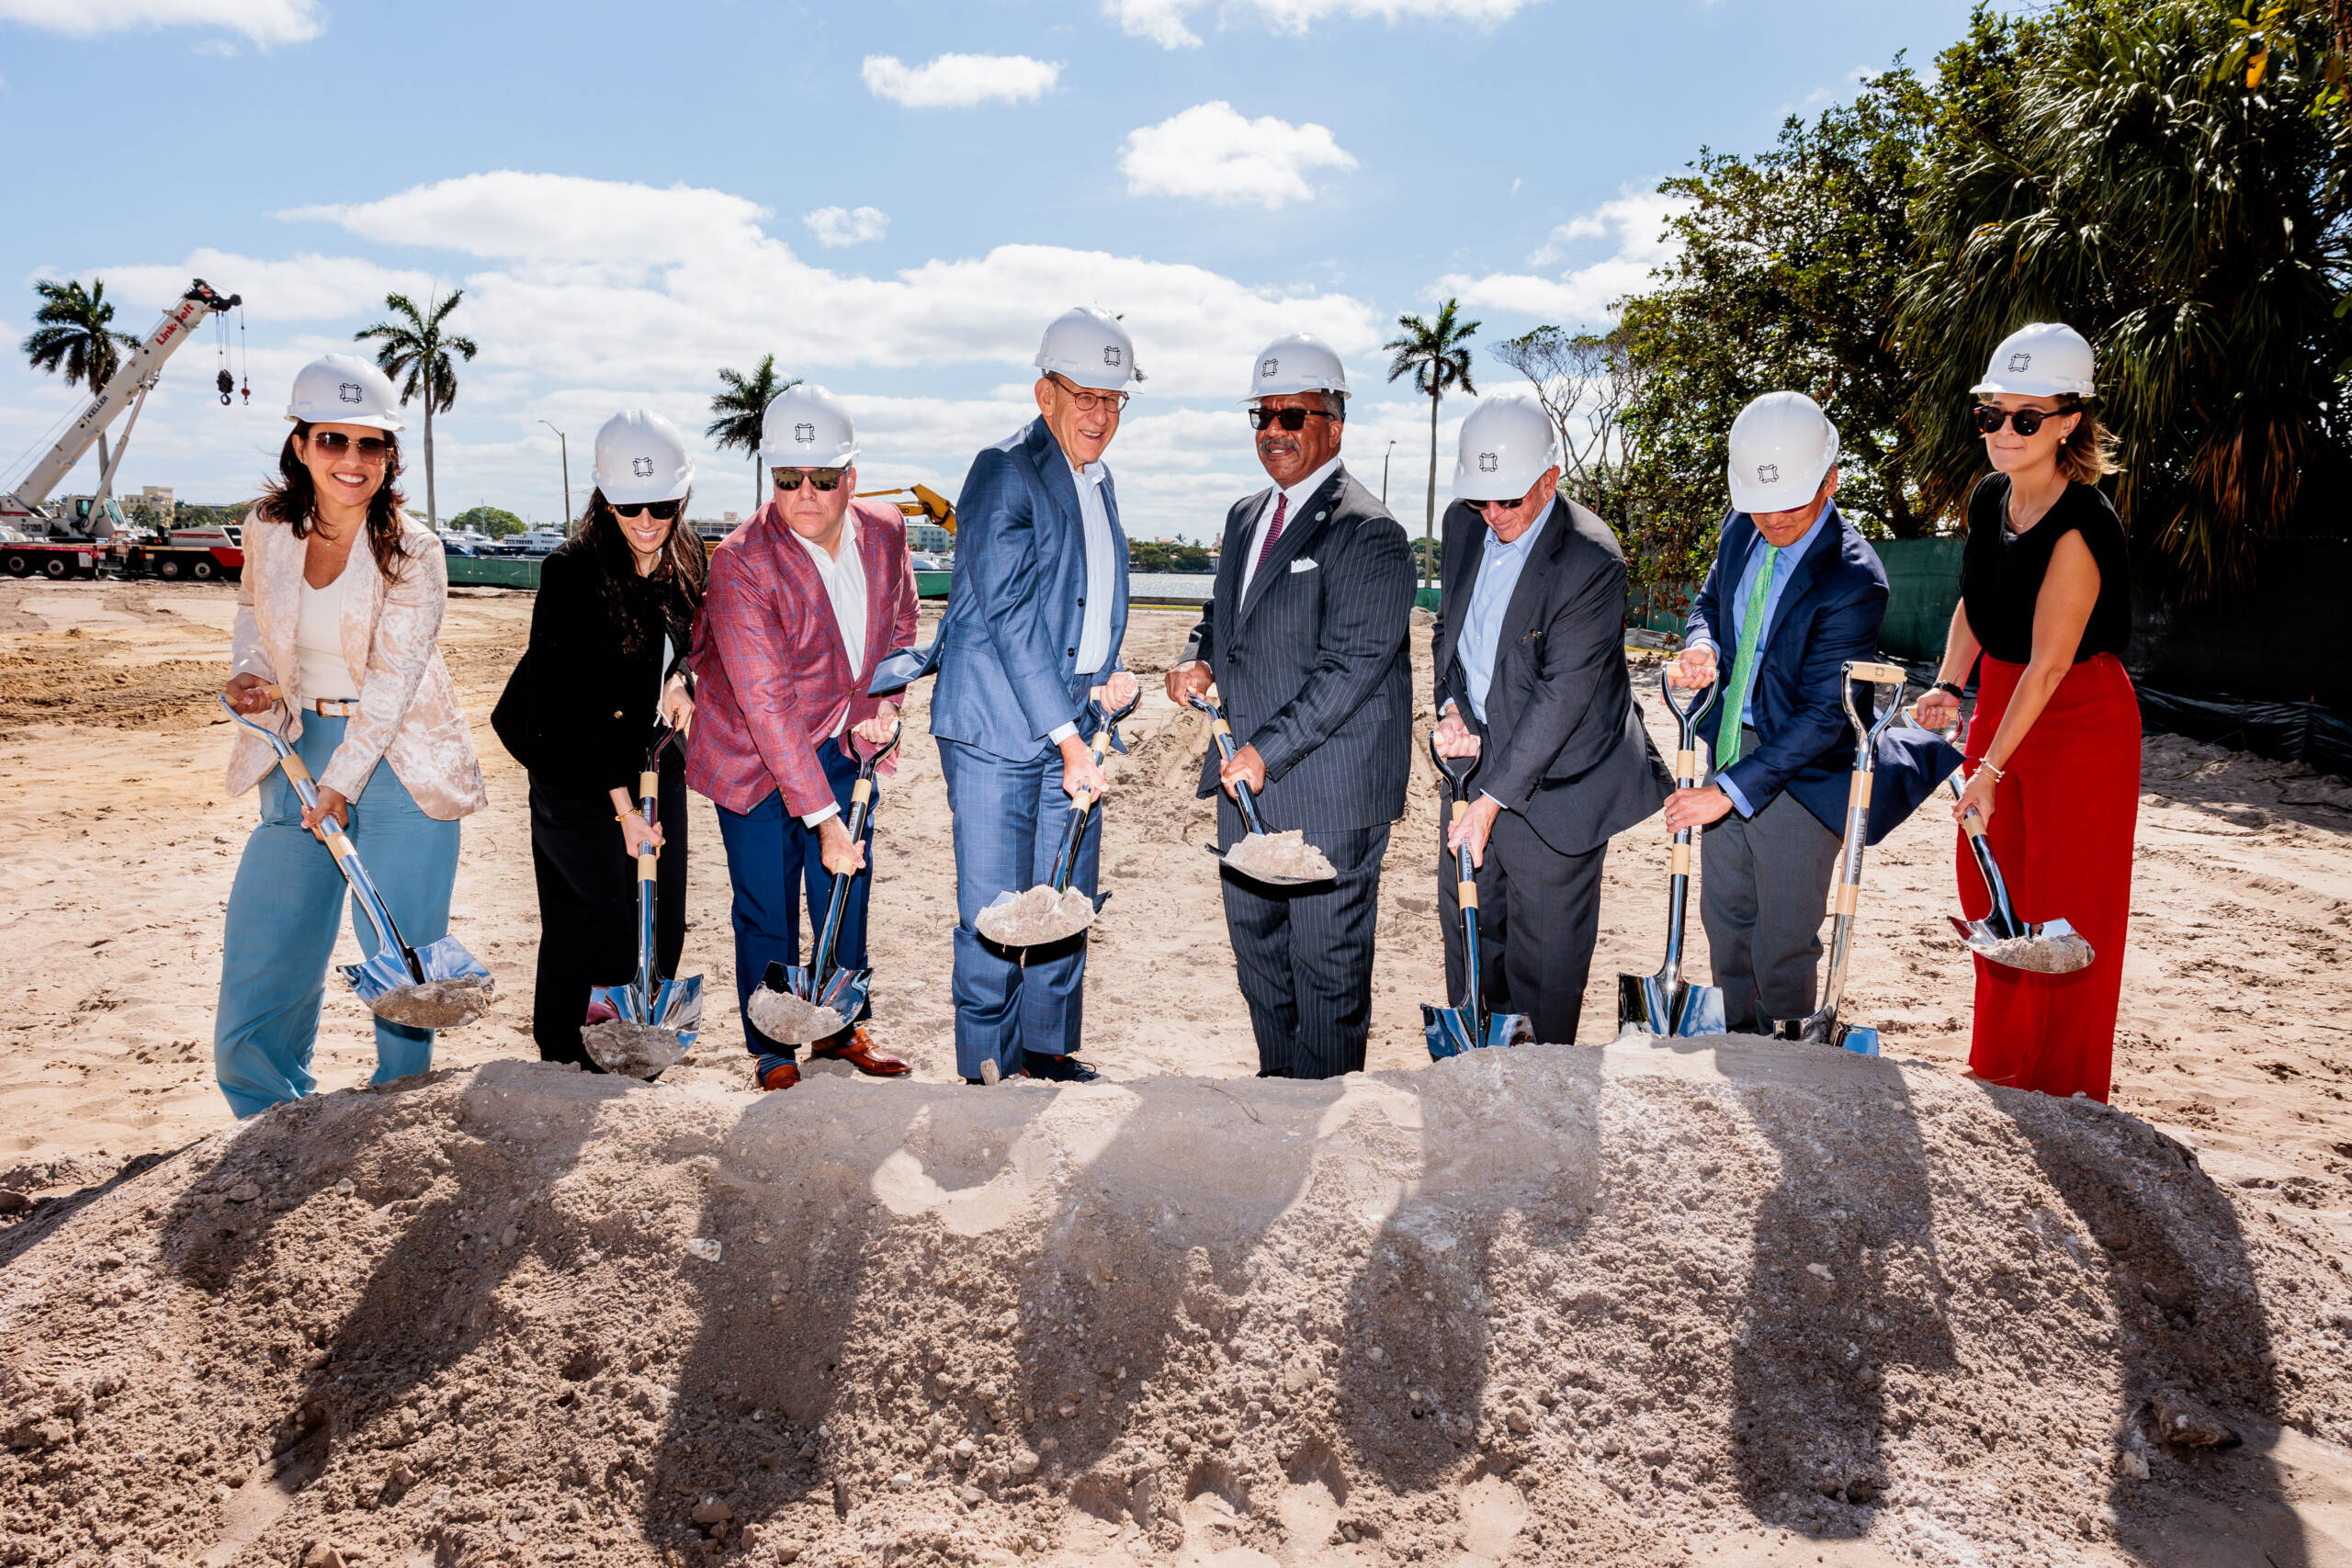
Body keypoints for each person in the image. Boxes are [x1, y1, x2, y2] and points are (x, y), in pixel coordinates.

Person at [214, 354, 486, 1116]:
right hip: (297, 752)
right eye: (334, 439)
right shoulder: (267, 528)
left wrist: (343, 783)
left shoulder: (414, 551)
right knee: (268, 941)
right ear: (299, 444)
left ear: (389, 456)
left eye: (372, 444)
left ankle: (396, 1106)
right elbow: (252, 610)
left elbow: (394, 685)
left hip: (402, 763)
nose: (353, 459)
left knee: (400, 953)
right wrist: (251, 669)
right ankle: (267, 1109)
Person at [1166, 333, 1415, 1078]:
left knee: (1327, 970)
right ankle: (1281, 1097)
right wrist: (1199, 657)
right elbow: (1223, 616)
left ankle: (1328, 1113)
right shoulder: (1246, 517)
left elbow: (1352, 668)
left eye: (1292, 416)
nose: (1273, 431)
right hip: (1248, 785)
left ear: (1334, 424)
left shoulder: (1370, 533)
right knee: (1260, 957)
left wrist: (1266, 750)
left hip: (1329, 790)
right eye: (1262, 416)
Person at [1915, 322, 2135, 1102]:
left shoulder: (2084, 522)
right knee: (1992, 888)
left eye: (2025, 418)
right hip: (2004, 700)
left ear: (2069, 420)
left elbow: (2050, 664)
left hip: (2078, 715)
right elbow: (1977, 604)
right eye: (1991, 415)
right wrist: (1947, 683)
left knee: (2065, 907)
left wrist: (1989, 770)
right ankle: (2000, 1066)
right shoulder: (1988, 496)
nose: (2003, 433)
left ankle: (2062, 1089)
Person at [931, 308, 1142, 1085]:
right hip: (997, 730)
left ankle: (1048, 1051)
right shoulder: (1003, 469)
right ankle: (987, 1065)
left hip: (1073, 722)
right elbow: (1011, 614)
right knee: (993, 912)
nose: (1099, 413)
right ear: (1043, 392)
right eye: (1082, 394)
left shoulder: (1100, 480)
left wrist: (1108, 677)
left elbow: (1085, 604)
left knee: (1065, 899)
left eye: (1114, 399)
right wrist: (1069, 735)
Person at [687, 385, 920, 1091]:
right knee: (767, 903)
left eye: (824, 478)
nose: (807, 494)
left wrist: (885, 709)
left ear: (852, 476)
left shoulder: (885, 529)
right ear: (772, 477)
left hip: (848, 743)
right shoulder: (739, 561)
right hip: (755, 755)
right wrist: (822, 817)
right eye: (790, 479)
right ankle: (774, 1047)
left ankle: (843, 1026)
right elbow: (767, 703)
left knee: (846, 889)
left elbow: (902, 627)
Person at [1429, 395, 1669, 1045]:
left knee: (1545, 968)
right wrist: (1449, 705)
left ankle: (1542, 1098)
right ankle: (1476, 1076)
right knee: (1471, 937)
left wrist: (1493, 800)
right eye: (1483, 501)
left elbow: (1563, 692)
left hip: (1561, 782)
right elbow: (1448, 629)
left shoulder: (1592, 560)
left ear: (1551, 478)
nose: (1494, 515)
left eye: (1509, 499)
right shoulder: (1462, 523)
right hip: (1474, 761)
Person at [1665, 393, 1903, 1036]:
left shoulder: (1855, 579)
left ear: (1831, 478)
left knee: (1783, 940)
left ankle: (1790, 1071)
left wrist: (1726, 792)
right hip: (1731, 749)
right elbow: (1711, 602)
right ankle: (1741, 1046)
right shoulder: (1743, 524)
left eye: (1790, 501)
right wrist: (1702, 645)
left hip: (1801, 777)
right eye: (1757, 502)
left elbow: (1826, 714)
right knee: (1726, 922)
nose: (1771, 517)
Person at [492, 410, 703, 1070]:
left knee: (660, 911)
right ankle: (564, 1053)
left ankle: (637, 1036)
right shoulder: (571, 572)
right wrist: (621, 811)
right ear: (605, 497)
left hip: (653, 756)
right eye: (629, 505)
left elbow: (698, 645)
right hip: (574, 765)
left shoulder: (688, 556)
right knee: (592, 914)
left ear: (683, 497)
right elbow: (578, 701)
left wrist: (682, 677)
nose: (647, 519)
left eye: (663, 504)